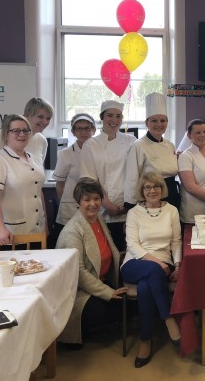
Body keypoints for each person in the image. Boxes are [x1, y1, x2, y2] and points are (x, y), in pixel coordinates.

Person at [56, 178, 128, 347]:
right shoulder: (73, 231)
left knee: (128, 306)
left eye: (96, 199)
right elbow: (78, 273)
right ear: (78, 202)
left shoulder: (98, 220)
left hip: (101, 281)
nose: (92, 204)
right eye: (87, 199)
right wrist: (107, 292)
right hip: (78, 291)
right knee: (107, 311)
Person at [121, 172, 183, 368]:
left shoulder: (171, 211)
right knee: (153, 272)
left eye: (156, 186)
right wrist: (157, 263)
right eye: (147, 187)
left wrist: (179, 265)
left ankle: (145, 340)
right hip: (135, 263)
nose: (152, 190)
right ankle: (168, 317)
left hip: (164, 263)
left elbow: (176, 241)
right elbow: (132, 244)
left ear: (162, 189)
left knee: (147, 287)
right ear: (142, 190)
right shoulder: (134, 213)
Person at [0, 97, 53, 235]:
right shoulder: (3, 136)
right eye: (40, 116)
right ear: (27, 115)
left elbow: (36, 173)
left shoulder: (41, 140)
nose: (45, 122)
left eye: (48, 118)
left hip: (29, 206)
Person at [80, 100, 137, 251]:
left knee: (128, 252)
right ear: (102, 117)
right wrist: (108, 205)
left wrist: (129, 205)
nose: (114, 120)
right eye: (110, 115)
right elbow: (90, 180)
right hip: (101, 209)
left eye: (118, 116)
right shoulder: (91, 145)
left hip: (128, 209)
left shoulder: (131, 141)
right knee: (105, 254)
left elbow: (136, 175)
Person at [0, 114, 46, 244]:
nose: (22, 134)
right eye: (16, 131)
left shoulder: (33, 159)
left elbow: (38, 191)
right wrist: (0, 229)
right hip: (10, 234)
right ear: (6, 134)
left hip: (36, 229)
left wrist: (45, 224)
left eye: (26, 131)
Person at [125, 93, 180, 210]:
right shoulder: (138, 146)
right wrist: (132, 204)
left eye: (162, 120)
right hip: (152, 196)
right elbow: (132, 177)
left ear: (167, 122)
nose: (159, 124)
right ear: (146, 123)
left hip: (173, 195)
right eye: (154, 121)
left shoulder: (170, 145)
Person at [51, 113, 96, 248]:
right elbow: (60, 184)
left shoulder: (99, 151)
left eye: (87, 128)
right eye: (79, 129)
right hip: (70, 206)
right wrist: (65, 201)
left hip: (94, 205)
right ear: (73, 132)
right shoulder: (66, 153)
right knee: (70, 243)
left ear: (93, 130)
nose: (83, 132)